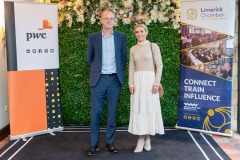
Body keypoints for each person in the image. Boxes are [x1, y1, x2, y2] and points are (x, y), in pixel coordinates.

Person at [86, 8, 127, 156]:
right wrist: (98, 70)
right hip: (98, 80)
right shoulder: (93, 37)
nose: (109, 21)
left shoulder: (121, 37)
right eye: (106, 18)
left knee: (112, 114)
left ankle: (109, 143)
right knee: (95, 114)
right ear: (101, 20)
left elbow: (123, 58)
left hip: (115, 80)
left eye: (111, 18)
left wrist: (116, 73)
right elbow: (89, 58)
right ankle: (94, 145)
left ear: (114, 21)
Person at [128, 24, 165, 153]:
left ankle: (145, 139)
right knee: (140, 109)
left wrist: (156, 83)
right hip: (138, 82)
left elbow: (159, 65)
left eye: (141, 31)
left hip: (150, 82)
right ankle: (141, 139)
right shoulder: (133, 49)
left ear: (146, 32)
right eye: (137, 32)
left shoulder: (153, 46)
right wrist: (131, 84)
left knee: (148, 108)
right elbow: (131, 67)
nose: (139, 34)